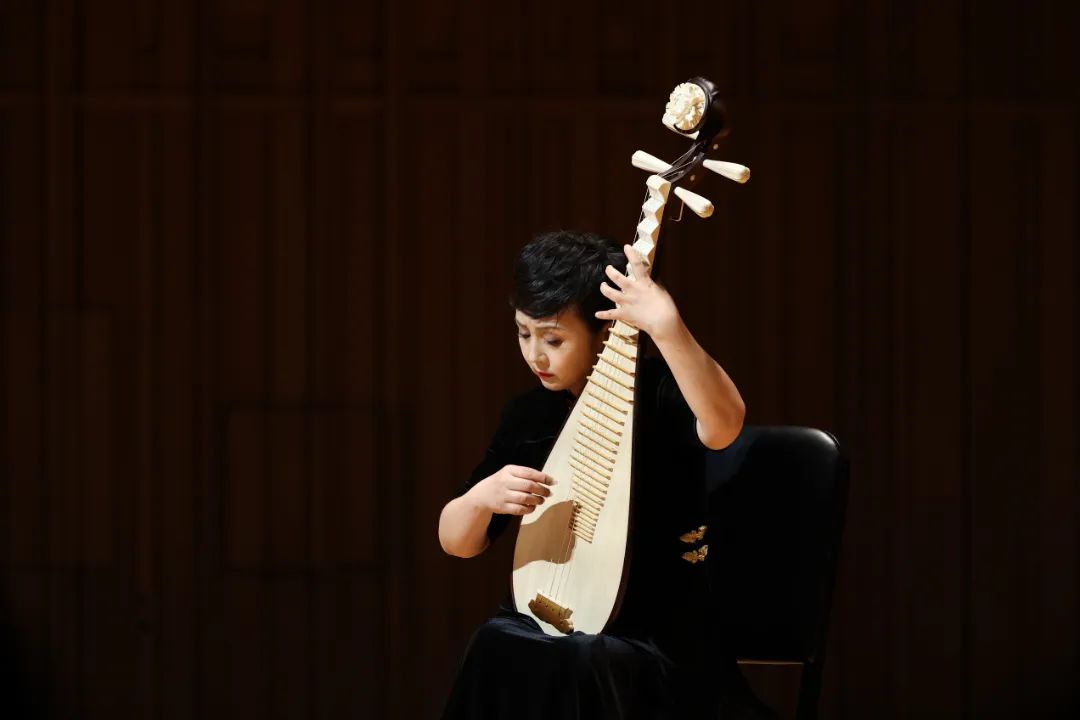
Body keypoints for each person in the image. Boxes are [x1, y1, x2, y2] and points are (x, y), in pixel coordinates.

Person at [438, 230, 777, 719]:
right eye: (523, 333)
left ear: (604, 329)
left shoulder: (658, 391)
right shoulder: (530, 414)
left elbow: (725, 425)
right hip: (552, 620)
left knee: (581, 660)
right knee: (495, 642)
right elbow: (458, 543)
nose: (535, 355)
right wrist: (480, 499)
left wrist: (667, 327)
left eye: (554, 339)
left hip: (656, 636)